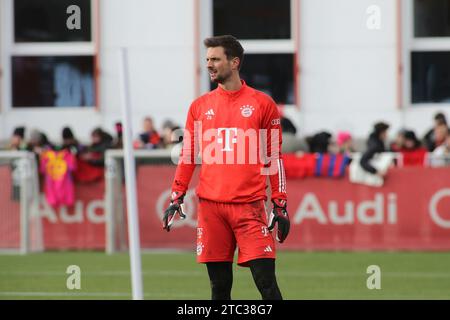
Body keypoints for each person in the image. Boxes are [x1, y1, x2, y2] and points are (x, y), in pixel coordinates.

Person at [162, 35, 289, 300]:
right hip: (211, 209)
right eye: (207, 59)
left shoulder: (263, 104)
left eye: (215, 59)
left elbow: (274, 158)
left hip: (249, 207)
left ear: (234, 62)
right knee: (219, 288)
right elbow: (188, 155)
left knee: (267, 284)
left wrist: (280, 204)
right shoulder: (199, 106)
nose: (209, 64)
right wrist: (177, 195)